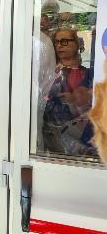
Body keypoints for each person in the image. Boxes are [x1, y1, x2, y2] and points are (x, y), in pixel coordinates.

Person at [42, 28, 96, 156]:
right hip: (53, 140)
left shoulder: (90, 74)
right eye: (56, 42)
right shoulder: (49, 74)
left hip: (84, 140)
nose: (59, 45)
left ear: (78, 44)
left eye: (65, 41)